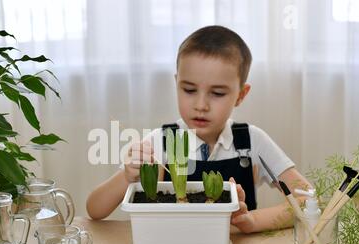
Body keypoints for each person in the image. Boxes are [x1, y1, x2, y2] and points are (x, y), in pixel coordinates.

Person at [86, 25, 311, 233]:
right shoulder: (162, 141)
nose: (201, 105)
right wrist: (127, 176)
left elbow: (308, 199)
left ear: (241, 95)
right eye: (189, 90)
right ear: (177, 83)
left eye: (218, 93)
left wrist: (252, 221)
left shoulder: (253, 141)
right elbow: (95, 210)